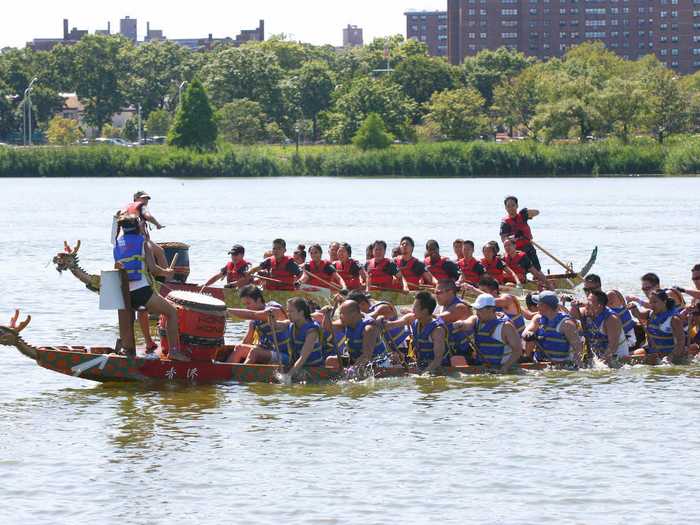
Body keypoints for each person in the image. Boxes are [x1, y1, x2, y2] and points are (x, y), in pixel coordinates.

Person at [112, 214, 182, 359]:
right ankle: (174, 352)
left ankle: (129, 352)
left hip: (123, 294)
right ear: (138, 226)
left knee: (132, 317)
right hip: (141, 291)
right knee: (172, 312)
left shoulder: (117, 244)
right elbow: (153, 268)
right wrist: (167, 272)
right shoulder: (143, 242)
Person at [451, 294, 523, 372]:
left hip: (500, 366)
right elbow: (467, 324)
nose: (477, 313)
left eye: (480, 310)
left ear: (491, 309)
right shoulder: (476, 319)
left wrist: (505, 368)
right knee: (456, 359)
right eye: (476, 309)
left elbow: (518, 350)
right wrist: (460, 323)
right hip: (481, 365)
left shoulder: (506, 327)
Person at [382, 292, 449, 373]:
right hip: (420, 364)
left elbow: (438, 360)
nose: (412, 309)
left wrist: (423, 375)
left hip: (437, 368)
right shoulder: (414, 320)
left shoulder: (437, 330)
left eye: (415, 307)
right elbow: (390, 325)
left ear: (424, 311)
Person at [261, 298, 327, 377]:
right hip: (298, 366)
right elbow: (275, 325)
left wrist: (288, 376)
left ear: (301, 312)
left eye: (291, 311)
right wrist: (271, 318)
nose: (288, 314)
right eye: (287, 311)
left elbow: (303, 357)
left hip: (313, 368)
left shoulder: (312, 331)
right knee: (273, 365)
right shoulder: (291, 324)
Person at [226, 285, 290, 365]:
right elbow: (247, 342)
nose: (247, 307)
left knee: (254, 352)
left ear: (259, 300)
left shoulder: (273, 310)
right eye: (245, 304)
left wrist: (226, 310)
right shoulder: (253, 322)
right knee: (239, 348)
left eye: (248, 303)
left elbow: (253, 314)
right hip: (266, 352)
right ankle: (226, 371)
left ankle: (239, 374)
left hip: (285, 356)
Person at [523, 291, 583, 367]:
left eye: (539, 304)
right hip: (540, 362)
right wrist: (528, 333)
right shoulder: (537, 318)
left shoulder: (566, 324)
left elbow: (578, 349)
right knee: (529, 338)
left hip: (561, 365)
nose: (537, 306)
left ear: (546, 306)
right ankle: (528, 358)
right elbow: (525, 333)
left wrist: (578, 367)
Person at [570, 290, 629, 362]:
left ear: (599, 306)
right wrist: (573, 307)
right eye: (587, 301)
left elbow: (613, 346)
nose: (586, 304)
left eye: (589, 302)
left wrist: (600, 364)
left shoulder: (611, 319)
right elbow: (572, 318)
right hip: (598, 353)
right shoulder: (585, 311)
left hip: (618, 354)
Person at [629, 289, 686, 361]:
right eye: (650, 302)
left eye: (655, 302)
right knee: (627, 357)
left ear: (664, 302)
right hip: (652, 351)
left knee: (628, 359)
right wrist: (634, 307)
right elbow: (638, 314)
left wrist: (671, 357)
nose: (652, 305)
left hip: (668, 354)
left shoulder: (674, 319)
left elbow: (681, 342)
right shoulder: (650, 313)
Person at [325, 300, 385, 369]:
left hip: (377, 363)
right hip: (355, 359)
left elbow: (366, 356)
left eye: (342, 313)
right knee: (330, 360)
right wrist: (327, 314)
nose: (340, 317)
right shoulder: (346, 322)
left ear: (353, 314)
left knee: (359, 369)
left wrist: (351, 371)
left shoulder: (369, 328)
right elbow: (328, 327)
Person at [583, 274, 638, 349]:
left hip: (627, 340)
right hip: (608, 338)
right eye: (585, 290)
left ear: (599, 287)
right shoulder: (592, 302)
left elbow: (595, 307)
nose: (588, 293)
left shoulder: (611, 295)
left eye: (591, 290)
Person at [500, 195, 541, 270]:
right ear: (505, 208)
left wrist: (527, 212)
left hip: (529, 246)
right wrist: (514, 236)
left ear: (517, 206)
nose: (511, 208)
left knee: (537, 268)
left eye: (513, 205)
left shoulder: (522, 216)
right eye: (508, 206)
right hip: (516, 250)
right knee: (521, 270)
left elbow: (537, 212)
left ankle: (538, 279)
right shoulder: (505, 223)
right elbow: (504, 239)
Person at [434, 280, 472, 360]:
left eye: (439, 293)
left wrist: (416, 315)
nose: (436, 296)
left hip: (464, 353)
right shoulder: (442, 306)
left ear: (450, 292)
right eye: (435, 293)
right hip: (451, 350)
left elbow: (439, 319)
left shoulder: (460, 307)